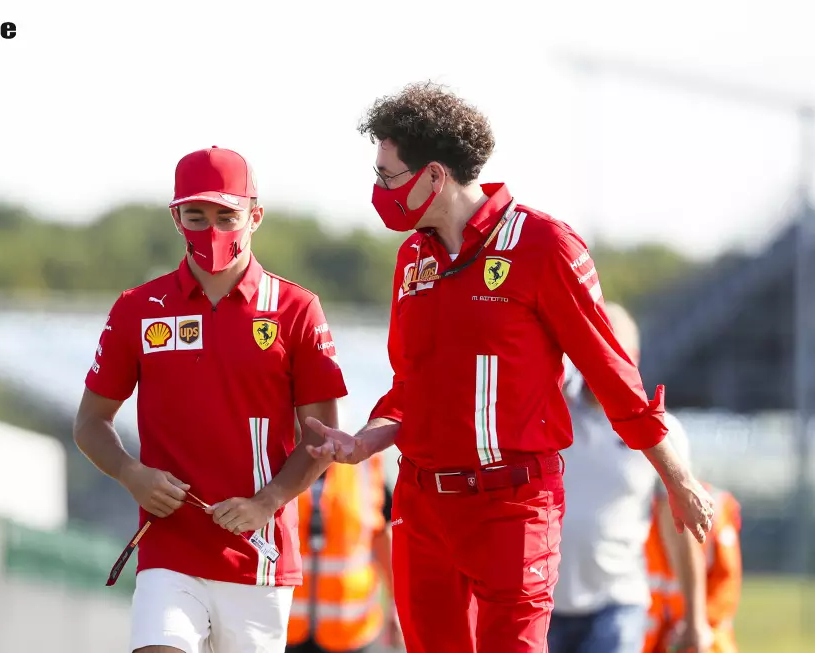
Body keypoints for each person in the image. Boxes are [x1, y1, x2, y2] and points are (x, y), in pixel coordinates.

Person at [303, 82, 716, 653]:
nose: (378, 191)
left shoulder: (543, 245)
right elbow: (409, 389)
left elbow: (611, 373)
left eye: (387, 175)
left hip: (512, 505)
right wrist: (362, 442)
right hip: (423, 509)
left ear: (434, 176)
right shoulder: (412, 259)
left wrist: (676, 477)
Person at [73, 145, 349, 653]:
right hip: (167, 549)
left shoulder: (297, 309)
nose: (212, 229)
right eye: (195, 215)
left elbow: (322, 439)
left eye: (227, 215)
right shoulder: (138, 308)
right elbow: (91, 422)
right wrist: (132, 475)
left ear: (255, 216)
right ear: (176, 216)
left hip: (259, 556)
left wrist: (266, 503)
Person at [549, 303, 710, 653]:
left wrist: (696, 618)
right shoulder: (548, 412)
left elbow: (678, 530)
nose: (600, 361)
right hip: (541, 602)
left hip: (617, 604)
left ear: (633, 357)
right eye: (591, 347)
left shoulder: (661, 433)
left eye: (610, 349)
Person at [286, 454, 403, 653]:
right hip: (286, 628)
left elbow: (384, 539)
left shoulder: (366, 468)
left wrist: (396, 607)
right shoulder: (274, 462)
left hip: (351, 631)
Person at [644, 483, 742, 653]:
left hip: (698, 639)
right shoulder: (633, 509)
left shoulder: (716, 506)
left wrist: (694, 623)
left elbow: (724, 588)